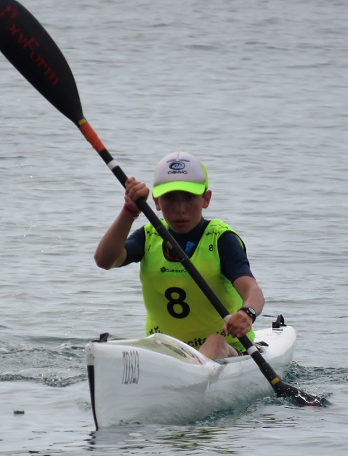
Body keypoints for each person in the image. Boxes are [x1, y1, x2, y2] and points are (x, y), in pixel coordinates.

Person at [94, 151, 265, 359]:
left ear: (206, 199)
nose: (180, 208)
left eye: (189, 197)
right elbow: (104, 260)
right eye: (169, 198)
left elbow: (252, 290)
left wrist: (247, 313)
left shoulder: (221, 239)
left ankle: (194, 375)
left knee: (214, 341)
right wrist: (129, 211)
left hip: (228, 350)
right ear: (156, 202)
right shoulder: (149, 237)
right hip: (166, 350)